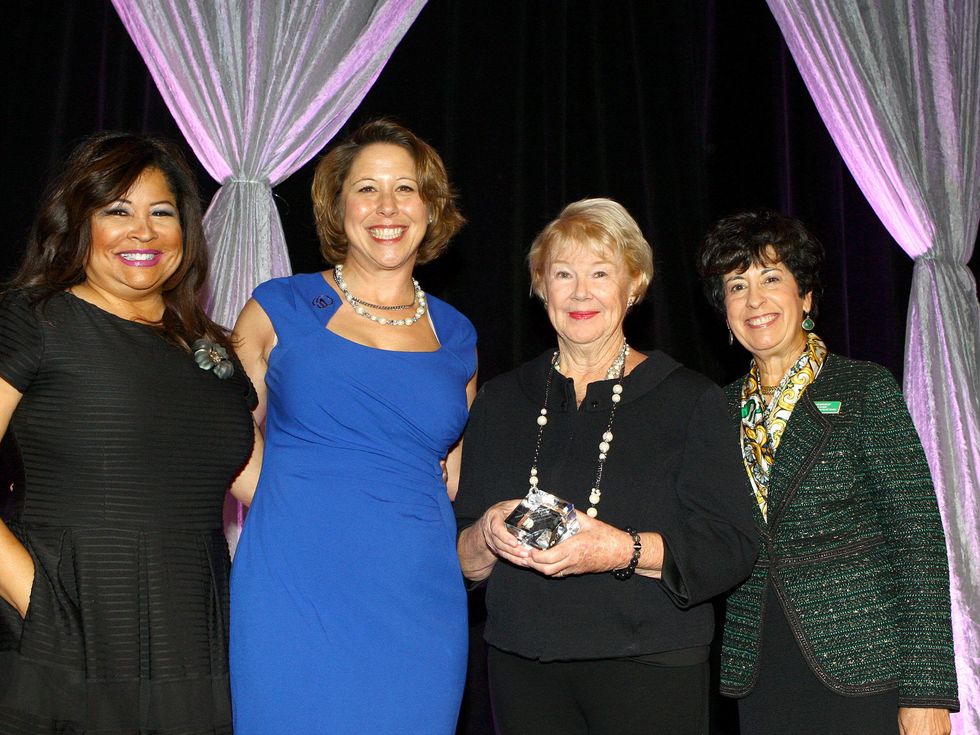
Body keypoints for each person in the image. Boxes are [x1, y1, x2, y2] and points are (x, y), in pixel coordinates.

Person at [454, 198, 758, 734]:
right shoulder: (500, 401)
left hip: (649, 667)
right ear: (540, 285)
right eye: (563, 274)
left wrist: (619, 549)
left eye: (600, 273)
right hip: (522, 665)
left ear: (634, 284)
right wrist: (483, 538)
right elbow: (456, 554)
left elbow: (730, 545)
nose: (580, 292)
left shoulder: (690, 400)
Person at [0, 131, 262, 734]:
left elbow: (269, 488)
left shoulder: (211, 350)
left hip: (193, 635)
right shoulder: (35, 320)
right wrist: (38, 603)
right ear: (78, 223)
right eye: (117, 210)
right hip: (70, 628)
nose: (142, 231)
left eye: (161, 213)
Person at [229, 119, 477, 733]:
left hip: (418, 593)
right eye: (367, 189)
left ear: (430, 207)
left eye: (406, 189)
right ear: (338, 208)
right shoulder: (277, 304)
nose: (386, 207)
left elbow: (451, 476)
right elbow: (218, 431)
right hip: (293, 581)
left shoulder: (459, 334)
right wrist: (294, 502)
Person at [697, 209, 959, 735]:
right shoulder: (715, 411)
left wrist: (928, 692)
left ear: (806, 297)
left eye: (772, 278)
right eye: (736, 285)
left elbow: (918, 541)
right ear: (723, 312)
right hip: (761, 666)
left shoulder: (864, 390)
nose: (754, 300)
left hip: (865, 665)